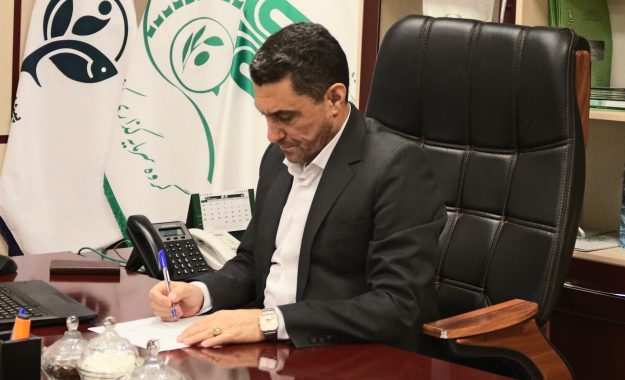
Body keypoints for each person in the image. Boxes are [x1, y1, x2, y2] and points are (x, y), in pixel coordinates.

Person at [148, 22, 446, 352]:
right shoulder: (277, 158)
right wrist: (201, 293)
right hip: (272, 353)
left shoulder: (396, 167)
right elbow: (252, 262)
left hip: (349, 357)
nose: (272, 134)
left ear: (334, 99)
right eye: (265, 116)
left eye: (285, 117)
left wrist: (270, 322)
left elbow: (397, 305)